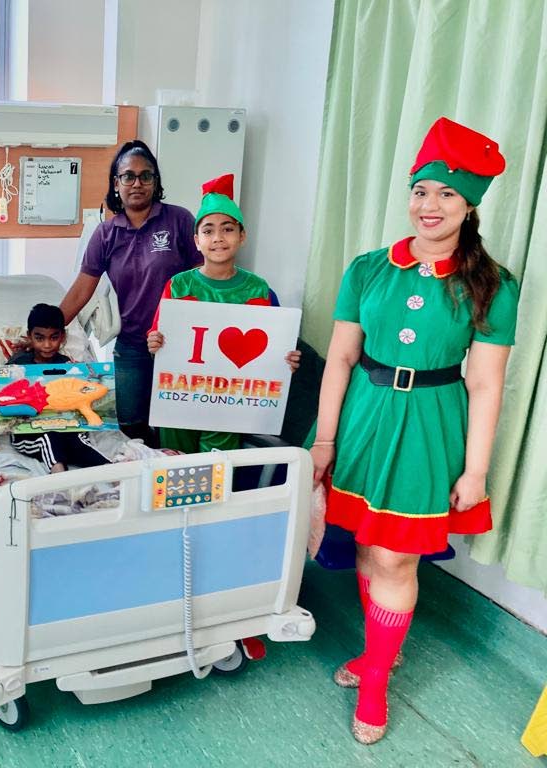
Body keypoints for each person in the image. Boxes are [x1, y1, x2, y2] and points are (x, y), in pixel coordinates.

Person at [309, 117, 518, 744]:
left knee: (398, 554)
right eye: (422, 190)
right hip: (365, 416)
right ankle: (384, 649)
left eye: (447, 194)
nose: (430, 206)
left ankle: (375, 678)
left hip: (431, 424)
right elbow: (340, 358)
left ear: (470, 204)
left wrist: (475, 470)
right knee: (370, 547)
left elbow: (485, 384)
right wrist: (323, 439)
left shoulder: (494, 286)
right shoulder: (368, 269)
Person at [146, 174, 301, 452]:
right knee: (175, 469)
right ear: (196, 240)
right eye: (208, 231)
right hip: (180, 399)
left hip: (230, 403)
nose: (218, 238)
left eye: (228, 229)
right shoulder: (179, 285)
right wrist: (154, 342)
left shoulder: (258, 289)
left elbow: (274, 347)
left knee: (216, 473)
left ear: (242, 236)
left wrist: (286, 360)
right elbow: (157, 338)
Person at [60, 140, 200, 445]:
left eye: (145, 176)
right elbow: (82, 290)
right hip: (133, 345)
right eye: (128, 176)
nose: (137, 183)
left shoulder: (179, 220)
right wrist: (45, 329)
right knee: (129, 424)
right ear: (116, 183)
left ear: (155, 181)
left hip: (182, 346)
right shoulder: (106, 234)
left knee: (176, 423)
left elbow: (205, 278)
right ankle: (147, 474)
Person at [0, 303, 110, 473]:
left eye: (53, 337)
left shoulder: (66, 365)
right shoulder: (18, 365)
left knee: (78, 440)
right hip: (29, 433)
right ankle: (60, 477)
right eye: (40, 338)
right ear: (30, 337)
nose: (47, 345)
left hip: (65, 428)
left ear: (62, 337)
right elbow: (0, 401)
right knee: (49, 437)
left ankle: (112, 472)